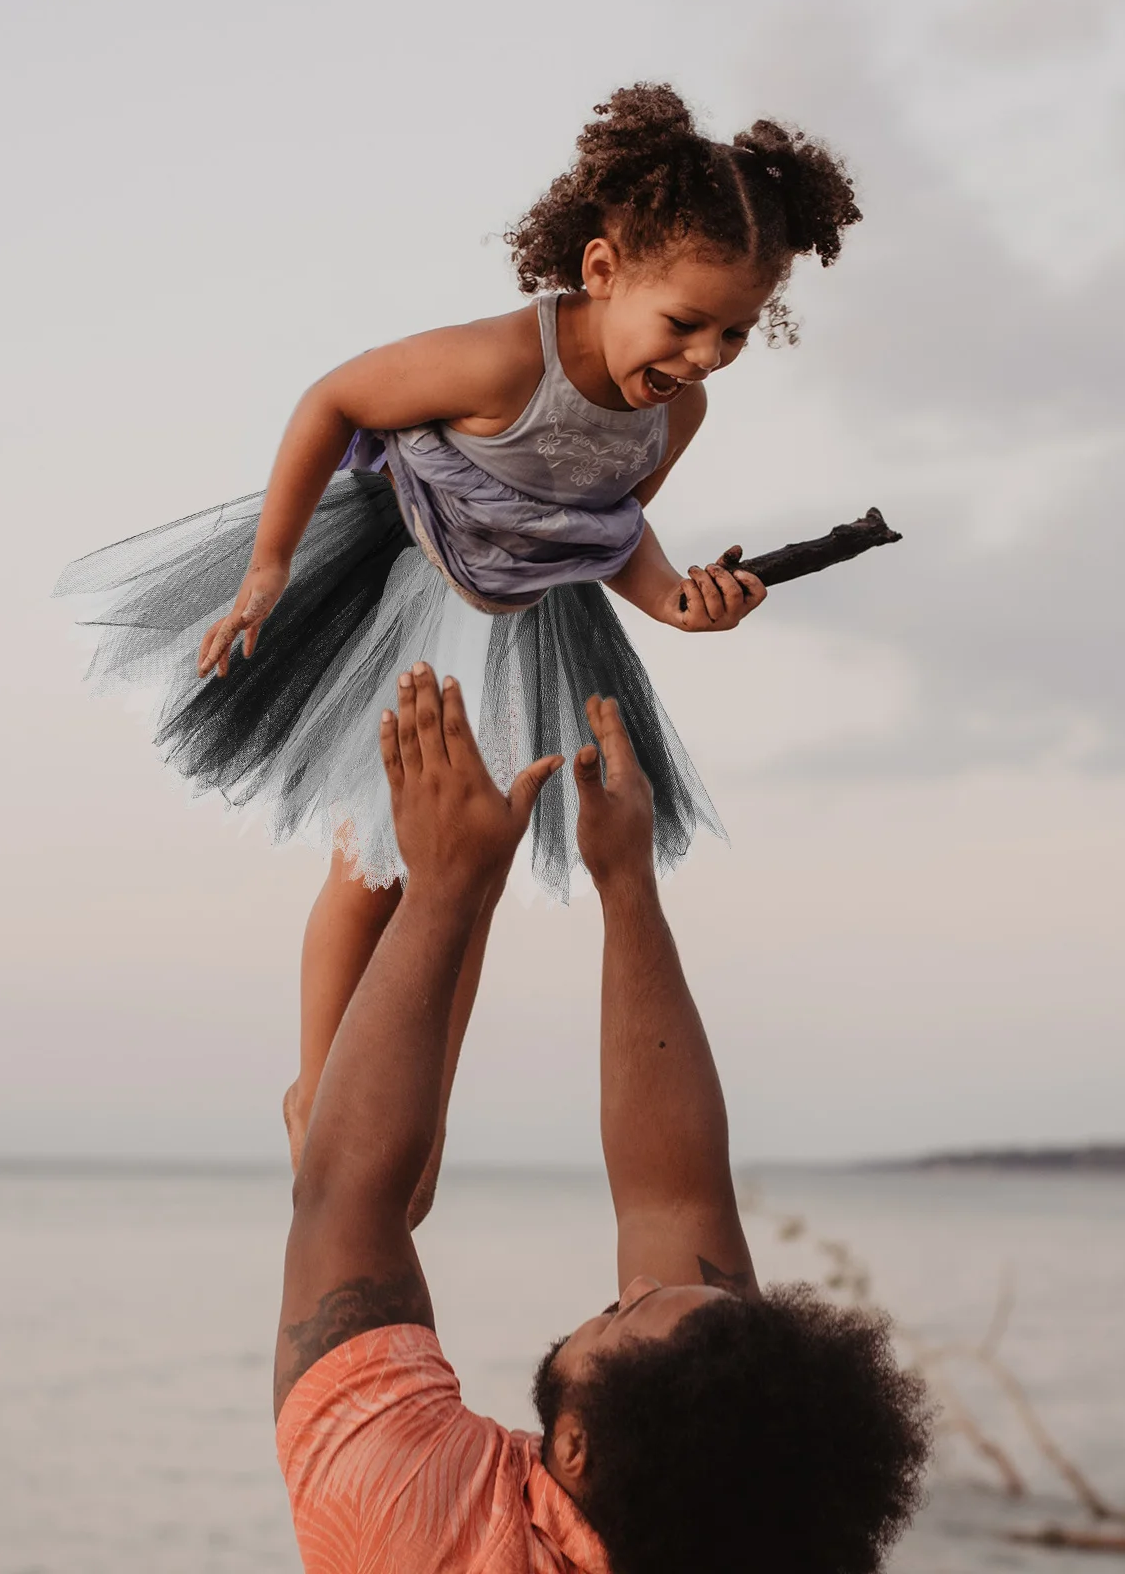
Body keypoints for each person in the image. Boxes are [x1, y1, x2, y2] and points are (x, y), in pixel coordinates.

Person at [54, 82, 863, 1225]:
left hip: (525, 630)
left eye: (735, 332)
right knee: (374, 857)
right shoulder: (499, 362)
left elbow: (613, 541)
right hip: (402, 596)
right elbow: (333, 397)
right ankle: (319, 1089)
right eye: (684, 322)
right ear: (600, 271)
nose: (706, 355)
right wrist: (272, 563)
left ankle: (415, 1111)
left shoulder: (671, 418)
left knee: (467, 877)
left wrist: (689, 606)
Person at [275, 662, 930, 1573]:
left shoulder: (418, 1535)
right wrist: (627, 884)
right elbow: (673, 1200)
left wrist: (447, 887)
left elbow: (344, 1193)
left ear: (577, 1449)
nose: (637, 1286)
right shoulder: (723, 1485)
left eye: (627, 1315)